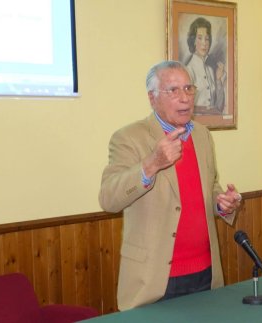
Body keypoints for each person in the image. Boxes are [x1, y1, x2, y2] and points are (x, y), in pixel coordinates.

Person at [99, 60, 241, 310]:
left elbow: (210, 188)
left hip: (205, 273)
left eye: (188, 89)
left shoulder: (202, 135)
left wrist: (222, 204)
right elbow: (109, 199)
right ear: (152, 98)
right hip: (154, 280)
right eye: (173, 91)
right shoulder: (128, 138)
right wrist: (151, 164)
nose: (184, 98)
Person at [185, 17, 226, 114]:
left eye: (207, 39)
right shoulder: (188, 70)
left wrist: (218, 80)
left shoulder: (210, 70)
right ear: (193, 41)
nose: (204, 43)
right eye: (199, 38)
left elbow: (219, 106)